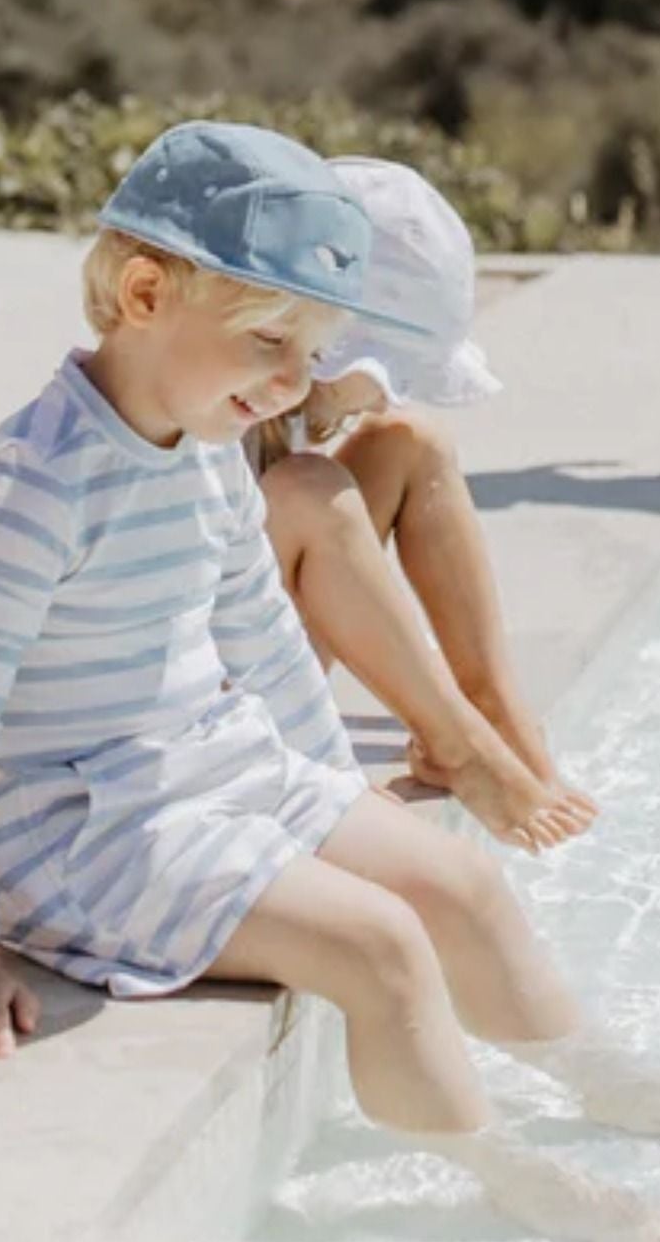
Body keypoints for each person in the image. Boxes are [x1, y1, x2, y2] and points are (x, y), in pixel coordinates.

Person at [0, 120, 660, 1242]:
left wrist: (331, 800)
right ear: (143, 294)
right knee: (381, 946)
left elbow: (261, 634)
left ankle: (608, 1079)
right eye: (270, 341)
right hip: (84, 829)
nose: (295, 383)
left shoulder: (198, 447)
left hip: (206, 766)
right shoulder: (31, 486)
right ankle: (510, 1175)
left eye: (314, 349)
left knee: (455, 881)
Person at [252, 156, 597, 855]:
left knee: (411, 440)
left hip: (265, 637)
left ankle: (492, 703)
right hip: (228, 688)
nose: (388, 393)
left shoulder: (289, 398)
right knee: (310, 493)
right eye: (387, 373)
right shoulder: (221, 396)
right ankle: (460, 743)